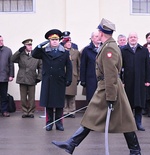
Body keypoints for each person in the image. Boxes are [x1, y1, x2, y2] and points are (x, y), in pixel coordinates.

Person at [52, 18, 141, 155]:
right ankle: (71, 144)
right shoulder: (108, 45)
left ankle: (135, 150)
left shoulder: (109, 48)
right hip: (107, 87)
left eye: (99, 30)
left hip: (108, 88)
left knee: (121, 120)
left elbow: (111, 74)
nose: (98, 32)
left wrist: (111, 97)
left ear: (102, 32)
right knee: (100, 117)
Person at [32, 29, 72, 131]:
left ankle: (59, 123)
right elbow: (34, 54)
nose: (54, 41)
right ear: (49, 40)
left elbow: (69, 67)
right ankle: (49, 122)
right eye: (52, 40)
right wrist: (40, 45)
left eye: (56, 39)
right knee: (48, 103)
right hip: (48, 80)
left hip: (59, 80)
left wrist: (68, 79)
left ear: (59, 40)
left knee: (59, 104)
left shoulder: (65, 52)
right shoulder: (44, 51)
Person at [121, 32, 150, 131]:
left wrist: (148, 80)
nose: (133, 39)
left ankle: (138, 123)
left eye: (134, 37)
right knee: (128, 103)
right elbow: (120, 67)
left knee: (139, 102)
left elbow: (147, 66)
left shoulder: (144, 50)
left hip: (140, 81)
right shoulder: (123, 50)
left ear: (137, 39)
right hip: (128, 81)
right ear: (128, 39)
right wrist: (121, 81)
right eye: (131, 37)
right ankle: (128, 124)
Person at [11, 39, 42, 118]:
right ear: (24, 46)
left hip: (32, 77)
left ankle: (31, 111)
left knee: (32, 97)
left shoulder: (36, 55)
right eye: (28, 45)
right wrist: (18, 51)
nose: (30, 46)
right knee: (23, 97)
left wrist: (39, 77)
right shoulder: (21, 54)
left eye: (31, 45)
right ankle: (25, 111)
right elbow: (12, 59)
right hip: (23, 78)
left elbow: (41, 67)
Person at [61, 37, 80, 118]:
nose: (69, 44)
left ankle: (72, 111)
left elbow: (79, 65)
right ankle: (65, 111)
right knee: (64, 94)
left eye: (70, 42)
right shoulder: (61, 52)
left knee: (72, 95)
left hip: (73, 75)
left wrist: (79, 77)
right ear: (64, 44)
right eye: (67, 42)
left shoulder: (76, 52)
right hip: (63, 75)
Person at [80, 31, 100, 103]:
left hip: (101, 79)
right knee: (92, 98)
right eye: (96, 36)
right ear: (92, 38)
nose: (99, 38)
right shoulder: (87, 50)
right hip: (91, 79)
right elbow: (83, 65)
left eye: (99, 36)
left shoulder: (104, 48)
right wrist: (83, 80)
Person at [0, 35, 14, 117]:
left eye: (2, 40)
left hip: (4, 77)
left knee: (4, 95)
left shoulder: (7, 50)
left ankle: (4, 110)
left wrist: (11, 75)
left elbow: (11, 64)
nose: (1, 42)